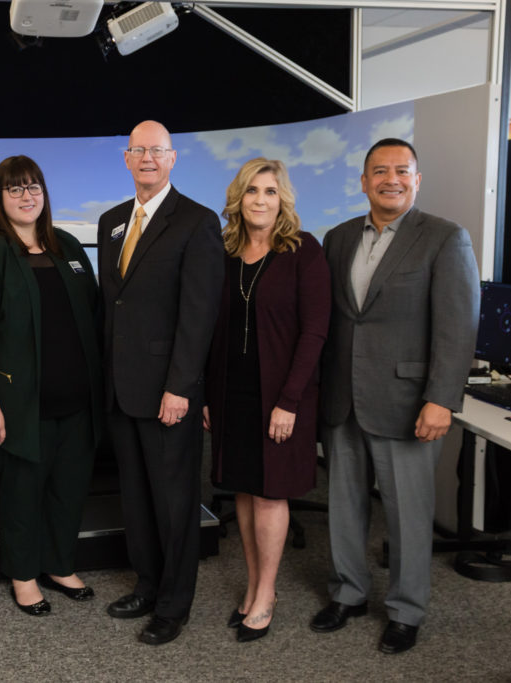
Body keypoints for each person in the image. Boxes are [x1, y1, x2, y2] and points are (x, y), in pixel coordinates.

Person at [311, 138, 479, 654]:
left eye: (402, 171)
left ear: (417, 179)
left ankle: (406, 611)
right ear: (363, 182)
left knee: (407, 514)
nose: (391, 179)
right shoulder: (336, 239)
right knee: (343, 505)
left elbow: (458, 326)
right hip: (343, 399)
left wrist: (441, 399)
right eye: (379, 171)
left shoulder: (445, 238)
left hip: (408, 403)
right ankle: (349, 592)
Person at [0, 155, 103, 617]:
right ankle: (23, 575)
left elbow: (93, 318)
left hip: (76, 399)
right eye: (14, 189)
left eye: (33, 186)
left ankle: (59, 564)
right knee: (22, 492)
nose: (26, 195)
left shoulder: (68, 246)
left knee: (69, 487)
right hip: (19, 404)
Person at [98, 120, 224, 645]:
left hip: (168, 391)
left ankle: (173, 605)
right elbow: (114, 306)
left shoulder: (196, 222)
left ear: (172, 159)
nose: (147, 158)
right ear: (126, 159)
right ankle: (148, 584)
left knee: (175, 503)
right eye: (138, 150)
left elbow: (199, 316)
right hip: (120, 390)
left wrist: (182, 388)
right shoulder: (110, 222)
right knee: (137, 499)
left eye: (158, 150)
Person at [204, 158, 330, 643]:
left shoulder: (303, 251)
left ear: (283, 200)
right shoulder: (226, 251)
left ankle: (267, 593)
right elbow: (217, 330)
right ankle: (254, 585)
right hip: (231, 391)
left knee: (270, 491)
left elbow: (316, 331)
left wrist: (290, 400)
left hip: (281, 394)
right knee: (241, 487)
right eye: (253, 190)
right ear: (239, 199)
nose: (261, 199)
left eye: (271, 191)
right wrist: (211, 393)